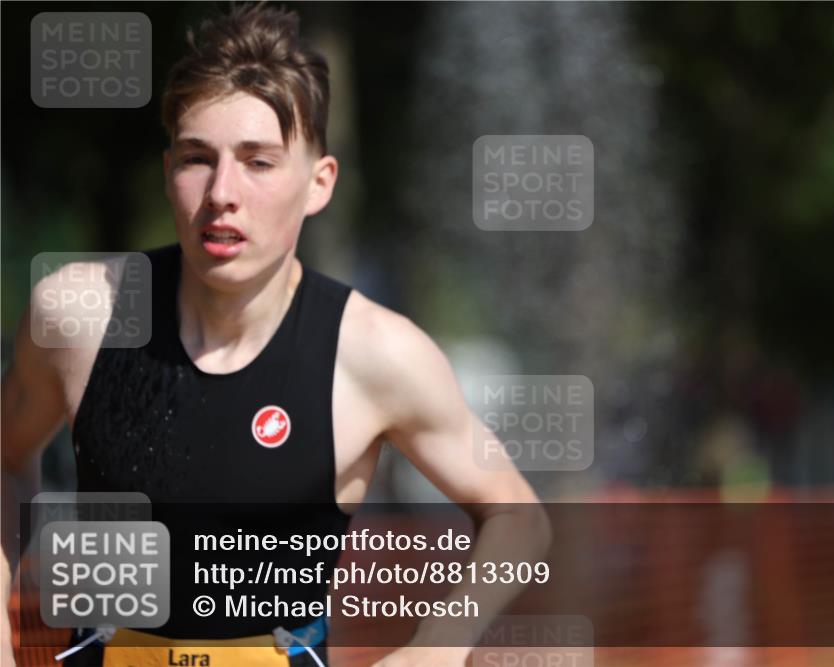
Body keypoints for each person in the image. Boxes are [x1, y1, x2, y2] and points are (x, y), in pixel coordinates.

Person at [1, 4, 550, 666]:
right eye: (198, 159)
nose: (221, 193)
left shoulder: (375, 354)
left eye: (258, 162)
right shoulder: (79, 316)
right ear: (169, 166)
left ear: (318, 184)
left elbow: (518, 516)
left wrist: (436, 646)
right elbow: (6, 462)